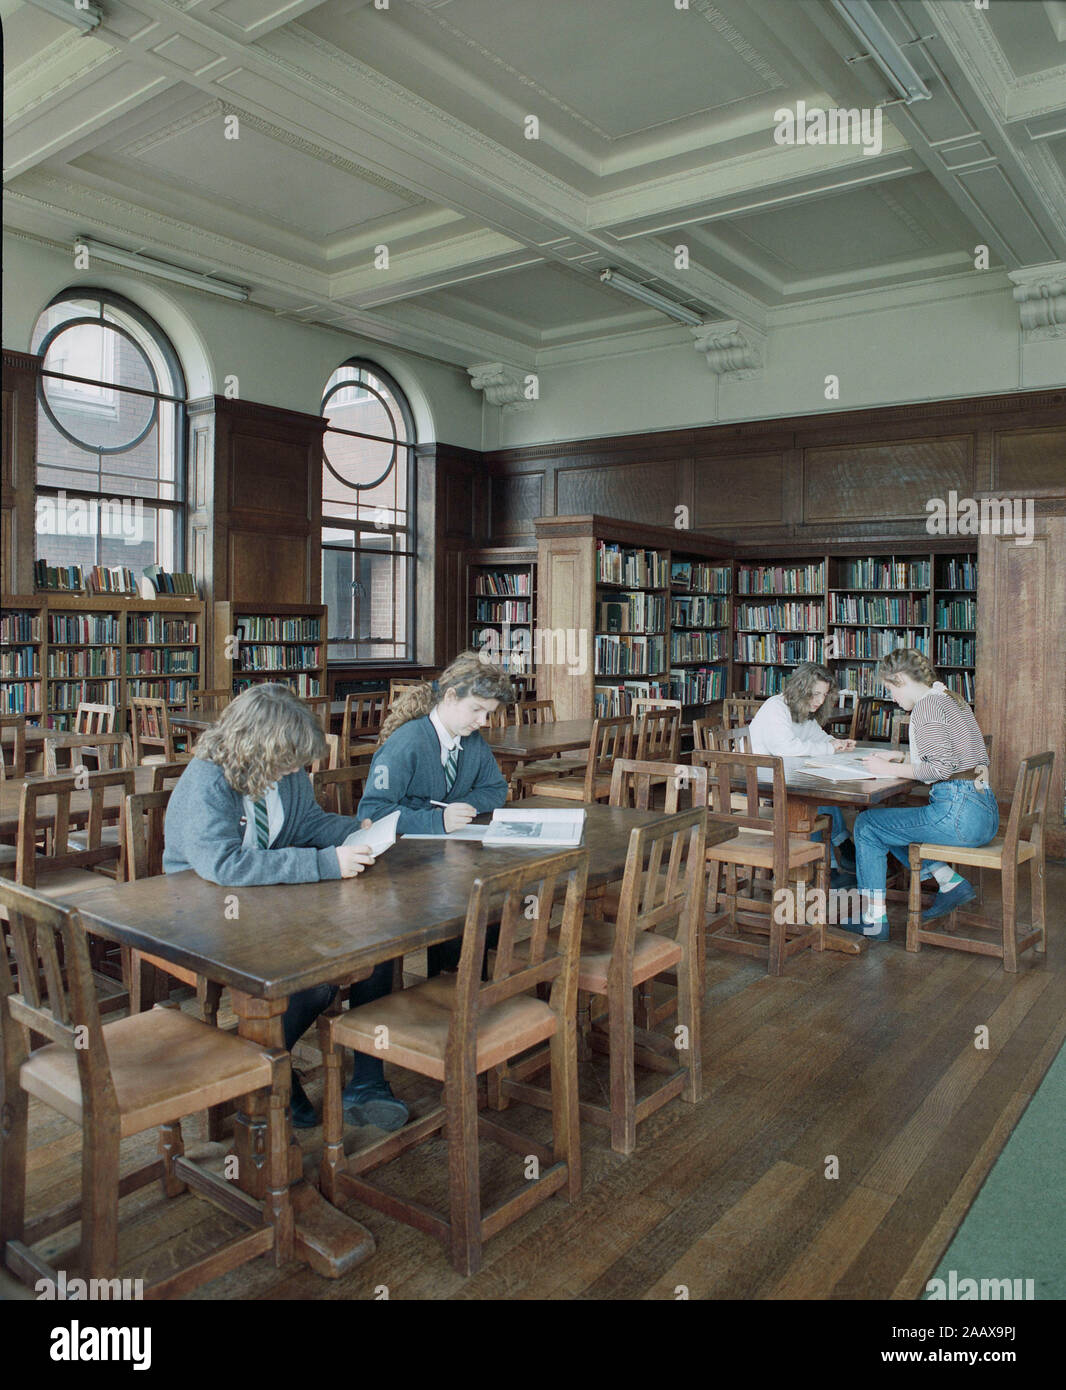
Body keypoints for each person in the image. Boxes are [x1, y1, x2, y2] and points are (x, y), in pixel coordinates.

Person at [162, 682, 407, 1132]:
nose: (296, 769)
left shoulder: (285, 772)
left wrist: (358, 831)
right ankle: (266, 1065)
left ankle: (367, 1082)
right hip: (207, 907)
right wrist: (326, 863)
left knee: (378, 943)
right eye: (288, 759)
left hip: (269, 896)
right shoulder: (208, 779)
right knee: (313, 982)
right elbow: (224, 864)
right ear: (256, 746)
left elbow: (308, 822)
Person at [357, 650, 512, 973]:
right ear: (451, 696)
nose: (483, 722)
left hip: (444, 860)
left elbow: (495, 789)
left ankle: (457, 995)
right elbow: (372, 811)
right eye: (477, 710)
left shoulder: (472, 741)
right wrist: (437, 820)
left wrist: (466, 806)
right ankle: (445, 998)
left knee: (488, 911)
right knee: (467, 910)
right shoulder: (407, 742)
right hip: (400, 870)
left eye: (489, 714)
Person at [841, 648, 997, 941]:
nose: (892, 698)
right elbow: (953, 757)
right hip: (984, 812)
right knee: (891, 825)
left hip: (959, 815)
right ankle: (947, 880)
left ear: (900, 678)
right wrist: (902, 761)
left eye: (890, 688)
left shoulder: (926, 707)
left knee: (868, 825)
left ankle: (874, 921)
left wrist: (887, 771)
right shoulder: (950, 698)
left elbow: (939, 768)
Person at [748, 663, 858, 885]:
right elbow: (786, 750)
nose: (819, 700)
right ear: (800, 688)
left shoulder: (802, 710)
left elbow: (816, 735)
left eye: (824, 695)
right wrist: (829, 749)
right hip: (759, 783)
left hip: (785, 779)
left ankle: (833, 863)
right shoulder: (776, 708)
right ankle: (833, 861)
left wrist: (835, 742)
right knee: (813, 801)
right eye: (815, 693)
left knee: (821, 793)